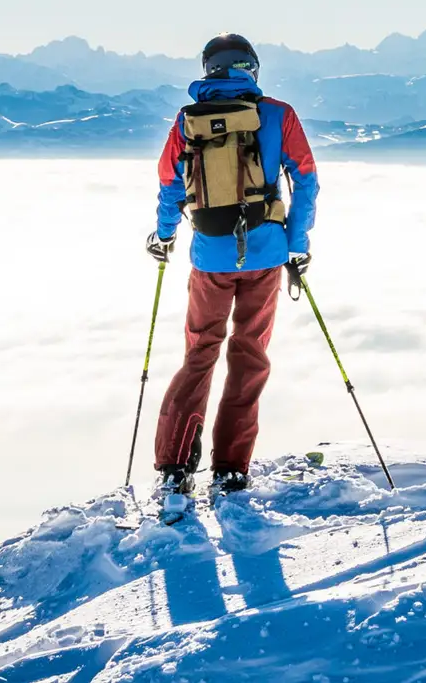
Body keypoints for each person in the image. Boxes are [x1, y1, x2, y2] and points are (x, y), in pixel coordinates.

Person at [145, 33, 318, 506]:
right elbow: (305, 179)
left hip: (209, 256)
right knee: (249, 356)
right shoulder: (278, 114)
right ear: (251, 69)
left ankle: (175, 465)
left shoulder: (187, 120)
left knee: (200, 353)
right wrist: (297, 246)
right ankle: (231, 470)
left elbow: (169, 183)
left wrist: (164, 236)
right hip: (265, 255)